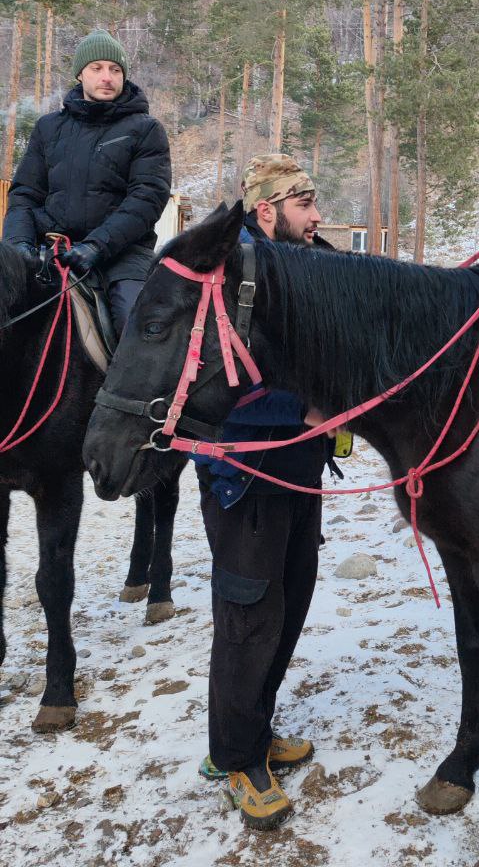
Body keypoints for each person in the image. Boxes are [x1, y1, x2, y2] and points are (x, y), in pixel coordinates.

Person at [193, 153, 332, 832]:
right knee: (248, 619)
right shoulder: (228, 279)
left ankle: (256, 726)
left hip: (298, 472)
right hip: (242, 475)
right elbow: (216, 385)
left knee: (290, 601)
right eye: (306, 205)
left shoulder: (301, 263)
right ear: (268, 209)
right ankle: (235, 757)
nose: (319, 217)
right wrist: (303, 408)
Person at [3, 30, 171, 335]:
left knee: (137, 328)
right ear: (80, 73)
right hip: (49, 251)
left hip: (122, 258)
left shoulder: (146, 130)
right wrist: (18, 247)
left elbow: (147, 199)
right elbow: (25, 195)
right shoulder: (48, 128)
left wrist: (96, 245)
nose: (107, 77)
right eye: (97, 68)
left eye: (115, 69)